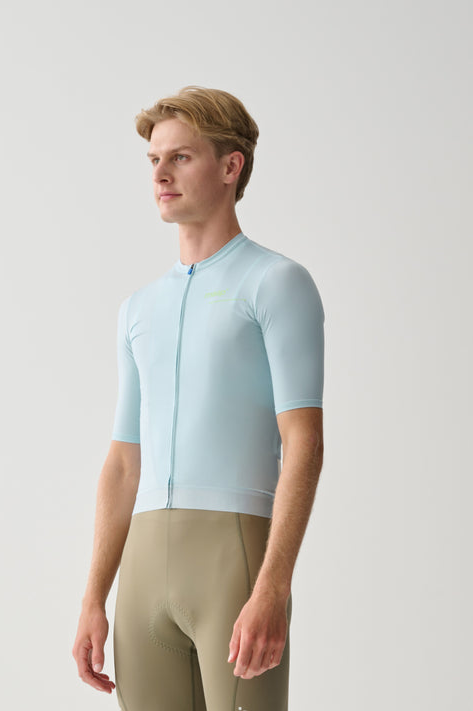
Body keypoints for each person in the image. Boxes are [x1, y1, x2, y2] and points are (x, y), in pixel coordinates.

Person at [72, 86, 325, 711]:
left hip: (233, 565)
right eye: (154, 160)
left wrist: (273, 587)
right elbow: (123, 462)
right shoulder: (138, 308)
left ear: (231, 166)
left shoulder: (275, 282)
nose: (160, 174)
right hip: (142, 575)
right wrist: (93, 598)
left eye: (180, 157)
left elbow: (303, 440)